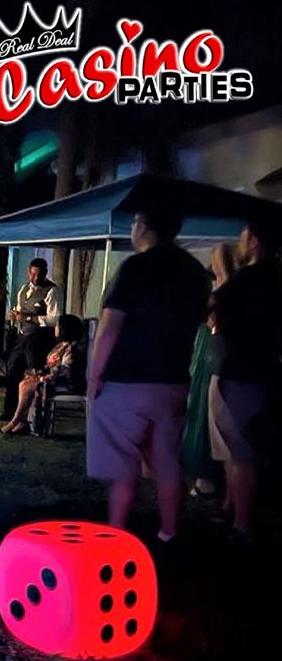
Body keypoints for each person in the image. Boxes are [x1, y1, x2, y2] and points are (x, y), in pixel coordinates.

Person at [86, 207, 210, 543]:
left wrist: (95, 376)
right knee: (166, 460)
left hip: (127, 381)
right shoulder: (194, 271)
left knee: (123, 466)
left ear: (143, 227)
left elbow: (110, 327)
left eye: (135, 223)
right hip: (173, 380)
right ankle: (169, 531)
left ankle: (117, 533)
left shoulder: (134, 268)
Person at [208, 219, 282, 539]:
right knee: (245, 448)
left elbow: (211, 309)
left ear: (254, 240)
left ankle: (242, 523)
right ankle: (232, 508)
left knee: (240, 452)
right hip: (266, 369)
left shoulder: (244, 280)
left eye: (243, 235)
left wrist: (221, 277)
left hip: (238, 370)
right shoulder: (276, 276)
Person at [182, 243, 236, 496]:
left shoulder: (223, 295)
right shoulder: (234, 292)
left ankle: (208, 476)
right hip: (214, 359)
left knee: (206, 417)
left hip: (211, 359)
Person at [0, 258, 63, 421]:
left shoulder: (52, 291)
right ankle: (9, 410)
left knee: (34, 375)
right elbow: (19, 308)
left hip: (39, 339)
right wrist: (14, 314)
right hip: (22, 337)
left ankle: (32, 415)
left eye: (39, 275)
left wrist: (30, 318)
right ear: (29, 272)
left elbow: (55, 318)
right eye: (33, 274)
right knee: (12, 371)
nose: (36, 278)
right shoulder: (24, 289)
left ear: (45, 273)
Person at [0, 314, 85, 436]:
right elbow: (50, 365)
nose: (55, 328)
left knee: (27, 386)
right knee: (25, 381)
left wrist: (44, 377)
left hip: (64, 382)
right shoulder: (61, 345)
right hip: (55, 377)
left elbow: (66, 371)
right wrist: (39, 372)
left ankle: (16, 421)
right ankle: (22, 421)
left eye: (58, 325)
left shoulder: (72, 348)